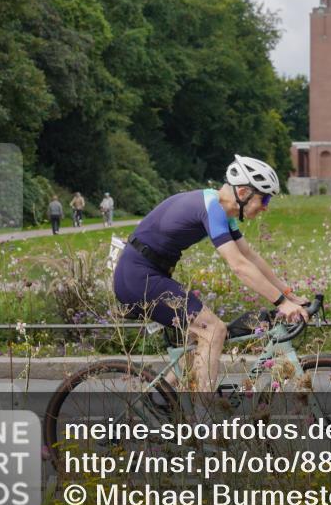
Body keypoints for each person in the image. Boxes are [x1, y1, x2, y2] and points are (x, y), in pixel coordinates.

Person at [113, 155, 310, 394]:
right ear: (244, 191)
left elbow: (250, 256)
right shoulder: (212, 207)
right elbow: (238, 265)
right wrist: (280, 303)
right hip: (139, 277)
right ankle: (203, 420)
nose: (266, 206)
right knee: (214, 330)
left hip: (146, 274)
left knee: (194, 346)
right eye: (264, 197)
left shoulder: (222, 211)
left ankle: (164, 405)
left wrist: (289, 296)